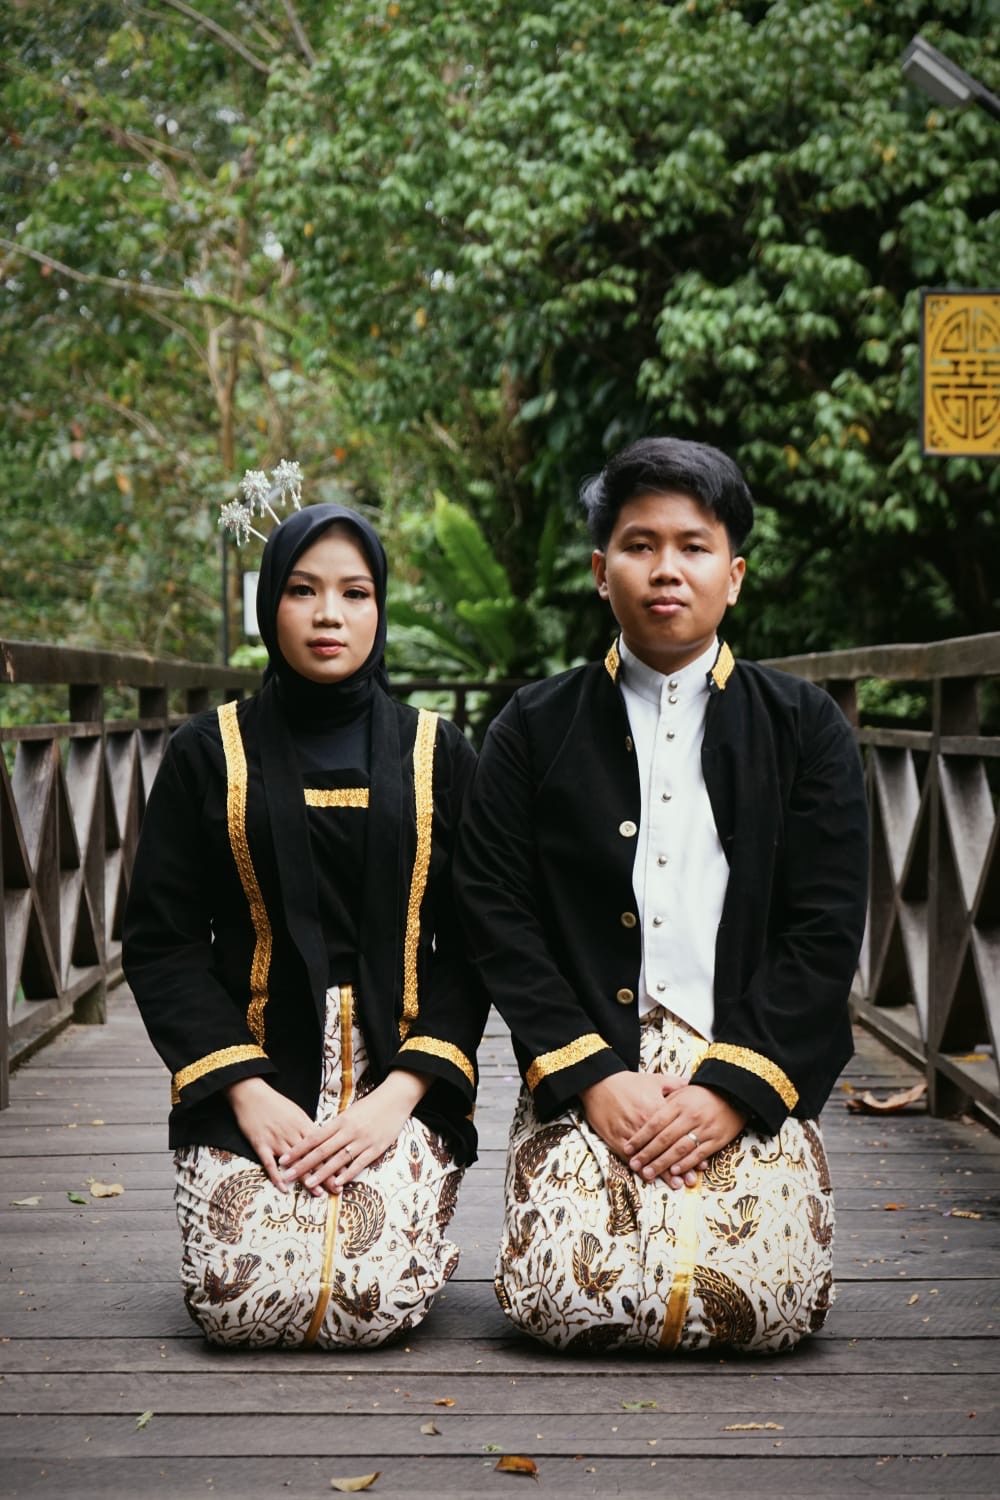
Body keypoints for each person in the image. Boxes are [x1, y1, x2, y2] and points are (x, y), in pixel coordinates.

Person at [454, 436, 869, 1355]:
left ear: (735, 575)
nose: (666, 569)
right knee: (563, 1300)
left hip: (747, 1052)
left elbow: (826, 925)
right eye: (639, 545)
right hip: (588, 1062)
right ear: (601, 572)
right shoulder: (533, 726)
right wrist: (594, 1077)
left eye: (693, 546)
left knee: (766, 1306)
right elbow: (494, 908)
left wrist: (733, 1089)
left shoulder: (805, 727)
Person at [124, 500, 486, 1349]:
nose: (330, 615)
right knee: (239, 1306)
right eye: (302, 590)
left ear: (380, 607)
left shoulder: (439, 753)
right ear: (269, 607)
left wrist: (400, 1095)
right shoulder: (206, 752)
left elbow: (476, 945)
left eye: (355, 593)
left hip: (401, 1078)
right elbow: (162, 940)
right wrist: (246, 1092)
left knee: (370, 1300)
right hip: (249, 1071)